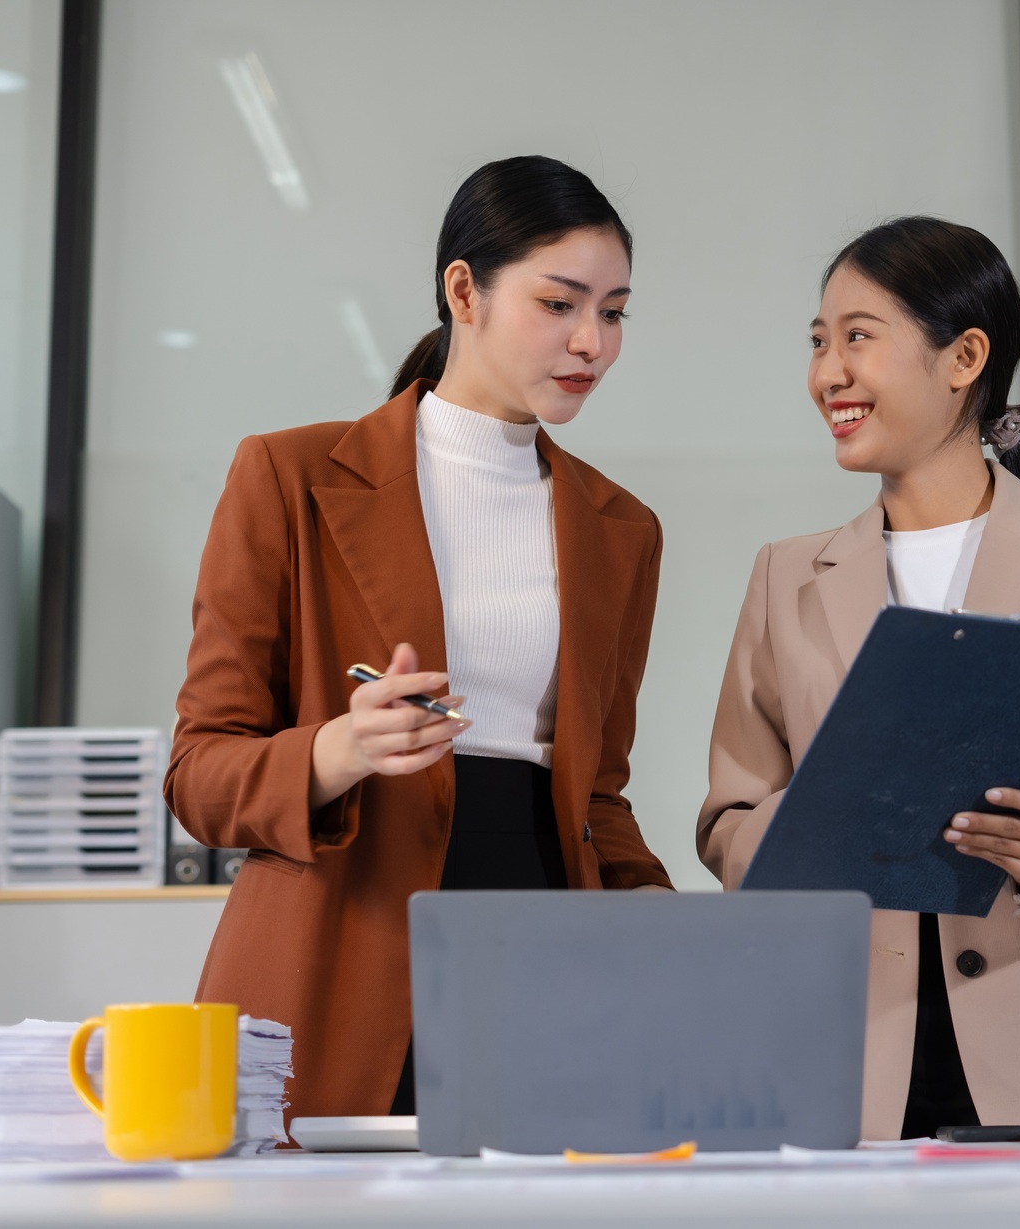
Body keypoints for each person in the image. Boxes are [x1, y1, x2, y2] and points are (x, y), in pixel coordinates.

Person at [167, 155, 672, 1121]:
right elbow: (199, 771)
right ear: (462, 290)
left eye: (614, 312)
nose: (591, 343)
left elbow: (597, 788)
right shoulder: (289, 476)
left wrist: (649, 902)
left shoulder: (622, 529)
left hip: (545, 957)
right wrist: (337, 749)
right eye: (560, 303)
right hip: (342, 953)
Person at [698, 216, 1020, 1139]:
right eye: (817, 341)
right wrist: (814, 830)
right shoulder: (784, 573)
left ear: (964, 356)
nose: (827, 373)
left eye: (857, 337)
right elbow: (727, 818)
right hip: (837, 1039)